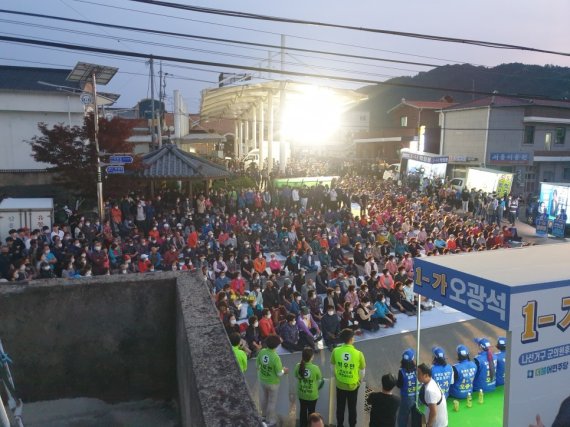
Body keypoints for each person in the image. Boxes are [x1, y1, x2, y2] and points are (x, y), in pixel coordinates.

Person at [330, 328, 366, 427]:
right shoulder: (359, 354)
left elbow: (332, 368)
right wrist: (359, 380)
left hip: (340, 384)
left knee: (340, 407)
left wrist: (337, 377)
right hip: (353, 386)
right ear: (351, 339)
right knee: (352, 408)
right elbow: (362, 371)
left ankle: (340, 425)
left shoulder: (335, 351)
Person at [256, 334, 289, 426]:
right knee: (271, 402)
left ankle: (263, 416)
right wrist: (284, 370)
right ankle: (269, 421)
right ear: (276, 346)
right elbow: (279, 373)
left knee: (264, 398)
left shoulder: (262, 352)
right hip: (273, 383)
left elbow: (257, 365)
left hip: (262, 380)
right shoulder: (275, 357)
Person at [295, 347, 324, 427]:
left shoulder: (298, 366)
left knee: (302, 411)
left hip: (302, 394)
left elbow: (296, 376)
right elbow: (321, 380)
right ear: (312, 357)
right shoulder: (315, 368)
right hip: (312, 395)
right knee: (312, 413)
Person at [417, 363, 448, 427]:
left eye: (419, 373)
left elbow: (433, 412)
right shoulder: (431, 381)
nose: (417, 376)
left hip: (437, 425)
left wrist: (428, 425)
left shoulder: (430, 391)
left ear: (426, 375)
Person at [396, 348, 417, 427]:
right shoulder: (417, 370)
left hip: (406, 397)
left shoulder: (401, 371)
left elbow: (399, 385)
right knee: (416, 413)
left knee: (403, 414)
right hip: (417, 396)